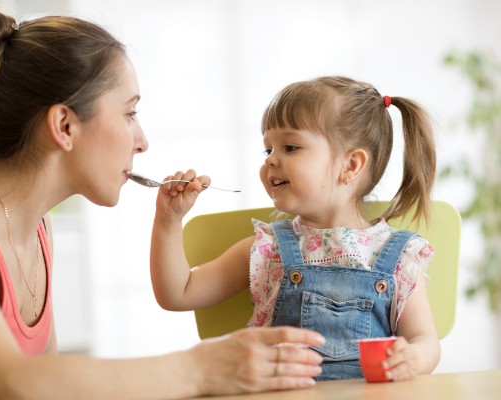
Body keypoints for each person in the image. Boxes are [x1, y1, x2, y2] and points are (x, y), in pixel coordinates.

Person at [0, 11, 326, 400]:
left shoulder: (34, 225)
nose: (142, 141)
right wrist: (201, 369)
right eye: (129, 113)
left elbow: (47, 381)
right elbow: (6, 385)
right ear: (65, 126)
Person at [150, 76, 441, 382]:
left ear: (351, 165)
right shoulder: (267, 248)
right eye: (268, 150)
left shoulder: (397, 256)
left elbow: (425, 341)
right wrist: (168, 220)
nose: (272, 160)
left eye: (290, 147)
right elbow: (178, 293)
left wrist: (412, 358)